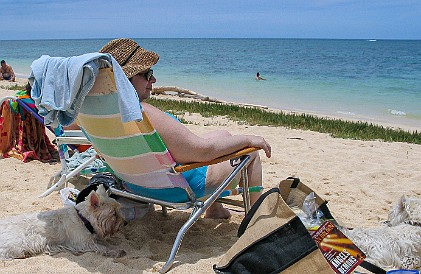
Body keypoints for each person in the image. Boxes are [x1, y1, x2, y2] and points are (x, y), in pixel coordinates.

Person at [99, 38, 272, 219]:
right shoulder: (142, 113)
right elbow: (203, 152)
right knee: (251, 152)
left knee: (223, 134)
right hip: (180, 187)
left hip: (134, 185)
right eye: (147, 74)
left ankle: (215, 209)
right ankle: (256, 219)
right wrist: (248, 140)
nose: (154, 79)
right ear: (126, 79)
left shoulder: (101, 114)